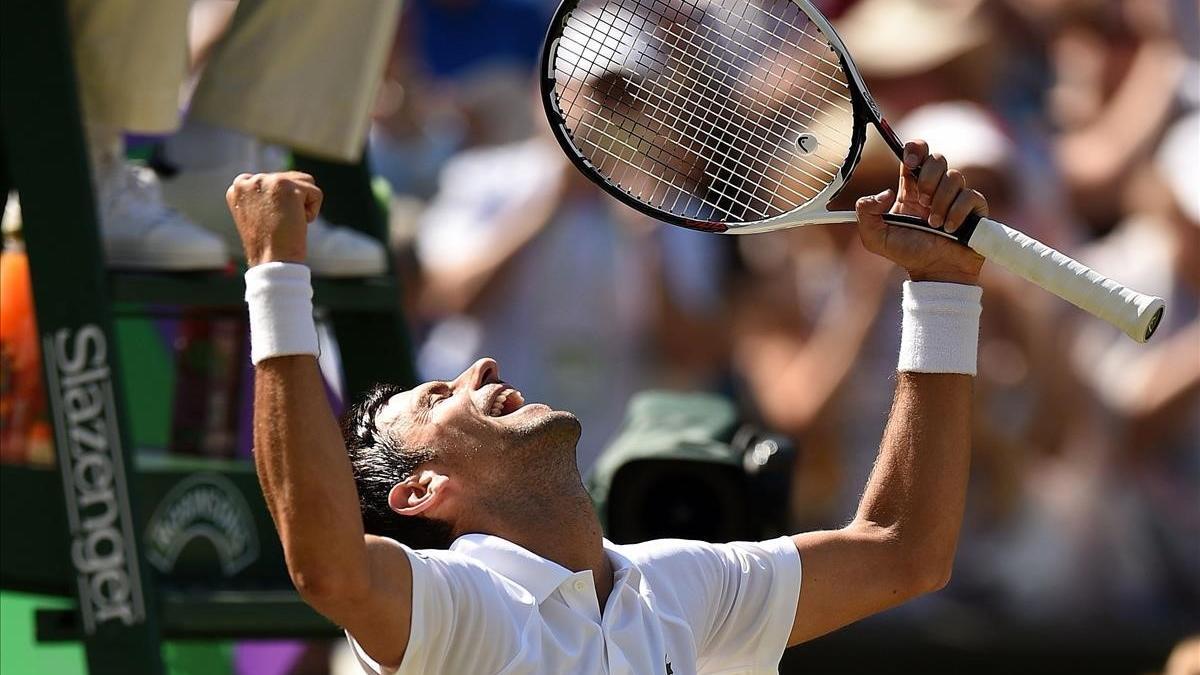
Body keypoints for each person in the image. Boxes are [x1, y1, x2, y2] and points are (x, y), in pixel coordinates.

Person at [227, 138, 988, 674]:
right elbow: (329, 568)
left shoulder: (680, 585)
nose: (476, 368)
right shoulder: (457, 607)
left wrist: (942, 288)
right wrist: (275, 277)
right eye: (439, 394)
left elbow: (902, 551)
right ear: (420, 490)